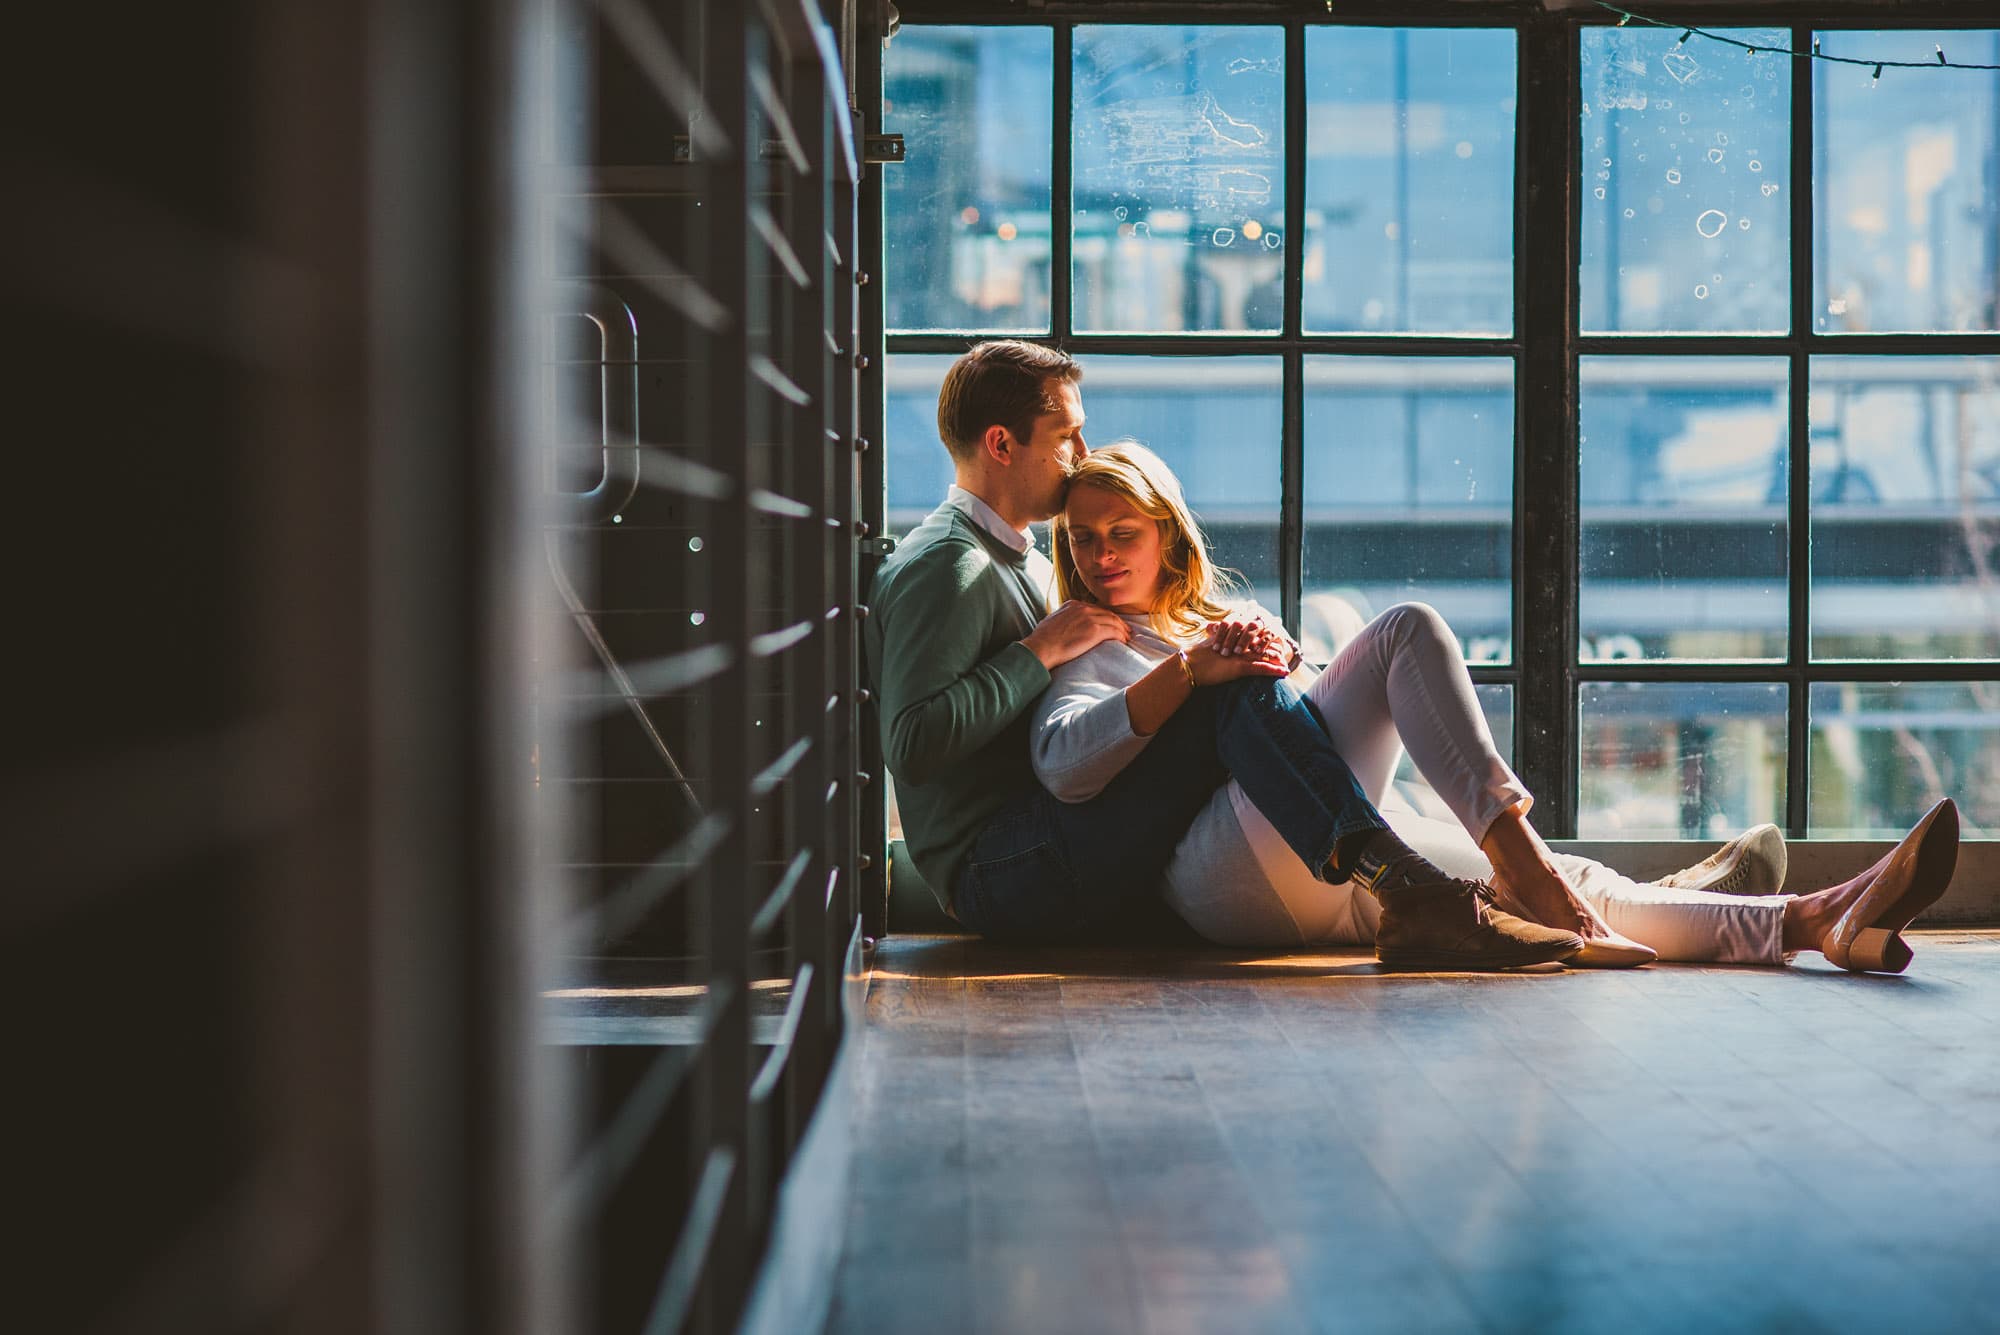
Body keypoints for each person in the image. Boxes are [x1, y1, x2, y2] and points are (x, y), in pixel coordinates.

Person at [1028, 440, 1960, 973]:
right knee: (1403, 631)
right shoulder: (1093, 640)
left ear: (1169, 536)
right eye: (1084, 538)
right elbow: (1064, 764)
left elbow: (1301, 745)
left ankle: (1820, 921)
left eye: (1125, 533)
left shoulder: (1225, 620)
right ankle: (1559, 874)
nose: (1105, 554)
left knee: (1562, 898)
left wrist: (1260, 660)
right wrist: (1193, 670)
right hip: (1219, 868)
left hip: (1312, 863)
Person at [864, 340, 1585, 970]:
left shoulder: (1012, 556)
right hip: (1004, 871)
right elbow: (913, 744)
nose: (1081, 454)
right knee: (1216, 688)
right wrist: (1038, 650)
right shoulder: (948, 564)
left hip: (1048, 842)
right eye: (1067, 435)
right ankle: (1404, 885)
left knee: (1226, 676)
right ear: (1001, 444)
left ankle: (1416, 882)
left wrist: (1266, 656)